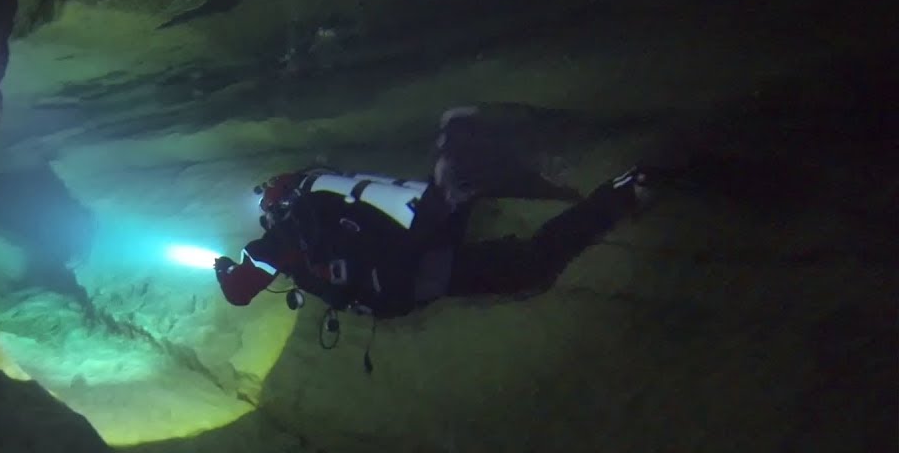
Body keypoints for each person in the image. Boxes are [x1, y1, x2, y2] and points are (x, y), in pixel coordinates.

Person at [213, 107, 651, 322]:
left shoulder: (283, 238)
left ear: (277, 207)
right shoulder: (321, 214)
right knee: (486, 236)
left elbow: (239, 291)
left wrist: (223, 267)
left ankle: (625, 193)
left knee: (531, 266)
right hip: (417, 251)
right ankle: (460, 166)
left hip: (412, 273)